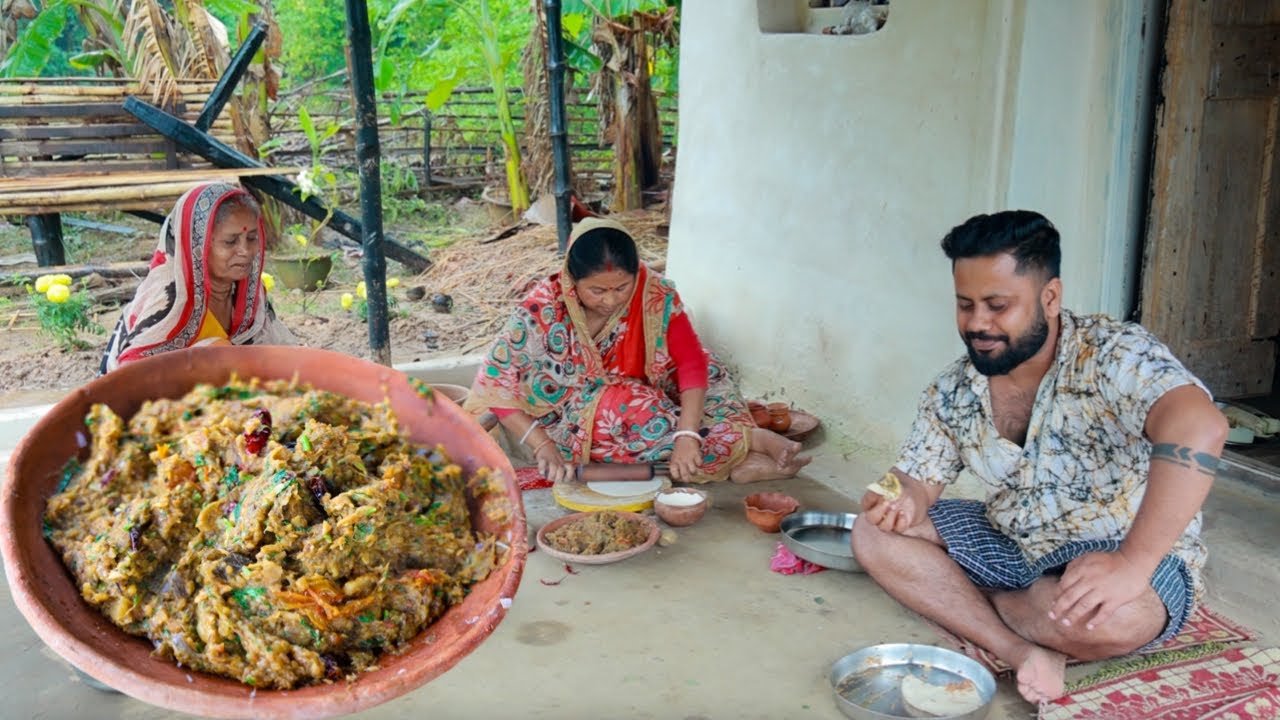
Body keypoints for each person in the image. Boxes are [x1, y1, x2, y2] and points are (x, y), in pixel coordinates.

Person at [851, 211, 1228, 705]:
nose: (977, 323)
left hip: (1115, 545)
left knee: (1112, 620)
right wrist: (900, 497)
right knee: (870, 533)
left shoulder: (1113, 355)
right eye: (965, 305)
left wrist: (1132, 565)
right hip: (1010, 541)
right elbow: (917, 478)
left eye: (997, 305)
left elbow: (1202, 428)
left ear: (1050, 298)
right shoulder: (954, 389)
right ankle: (1019, 647)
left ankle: (972, 602)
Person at [465, 217, 811, 484]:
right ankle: (746, 447)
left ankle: (730, 447)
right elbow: (495, 381)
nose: (612, 300)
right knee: (631, 413)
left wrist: (687, 435)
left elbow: (689, 361)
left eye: (622, 287)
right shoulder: (543, 308)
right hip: (571, 410)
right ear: (572, 279)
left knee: (711, 370)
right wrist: (542, 445)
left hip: (651, 384)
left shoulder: (654, 294)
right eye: (597, 291)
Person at [100, 183, 295, 373]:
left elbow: (278, 353)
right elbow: (131, 372)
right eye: (230, 241)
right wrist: (212, 357)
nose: (245, 251)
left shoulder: (249, 294)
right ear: (196, 245)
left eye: (252, 238)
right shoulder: (170, 295)